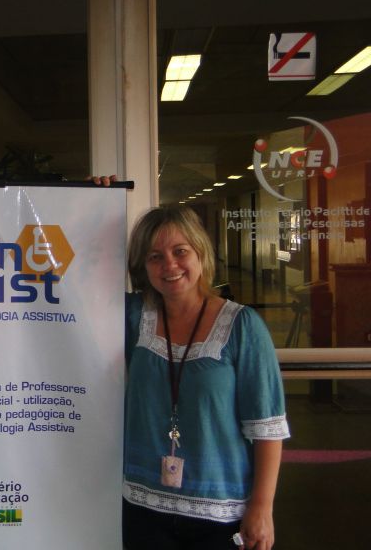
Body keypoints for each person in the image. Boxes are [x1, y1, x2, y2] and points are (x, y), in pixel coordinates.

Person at [118, 203, 289, 550]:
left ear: (200, 253)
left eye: (180, 251)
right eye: (155, 257)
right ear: (143, 266)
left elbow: (267, 428)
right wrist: (93, 199)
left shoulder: (242, 327)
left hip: (220, 511)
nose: (170, 265)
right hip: (143, 504)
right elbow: (71, 281)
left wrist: (261, 507)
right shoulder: (132, 317)